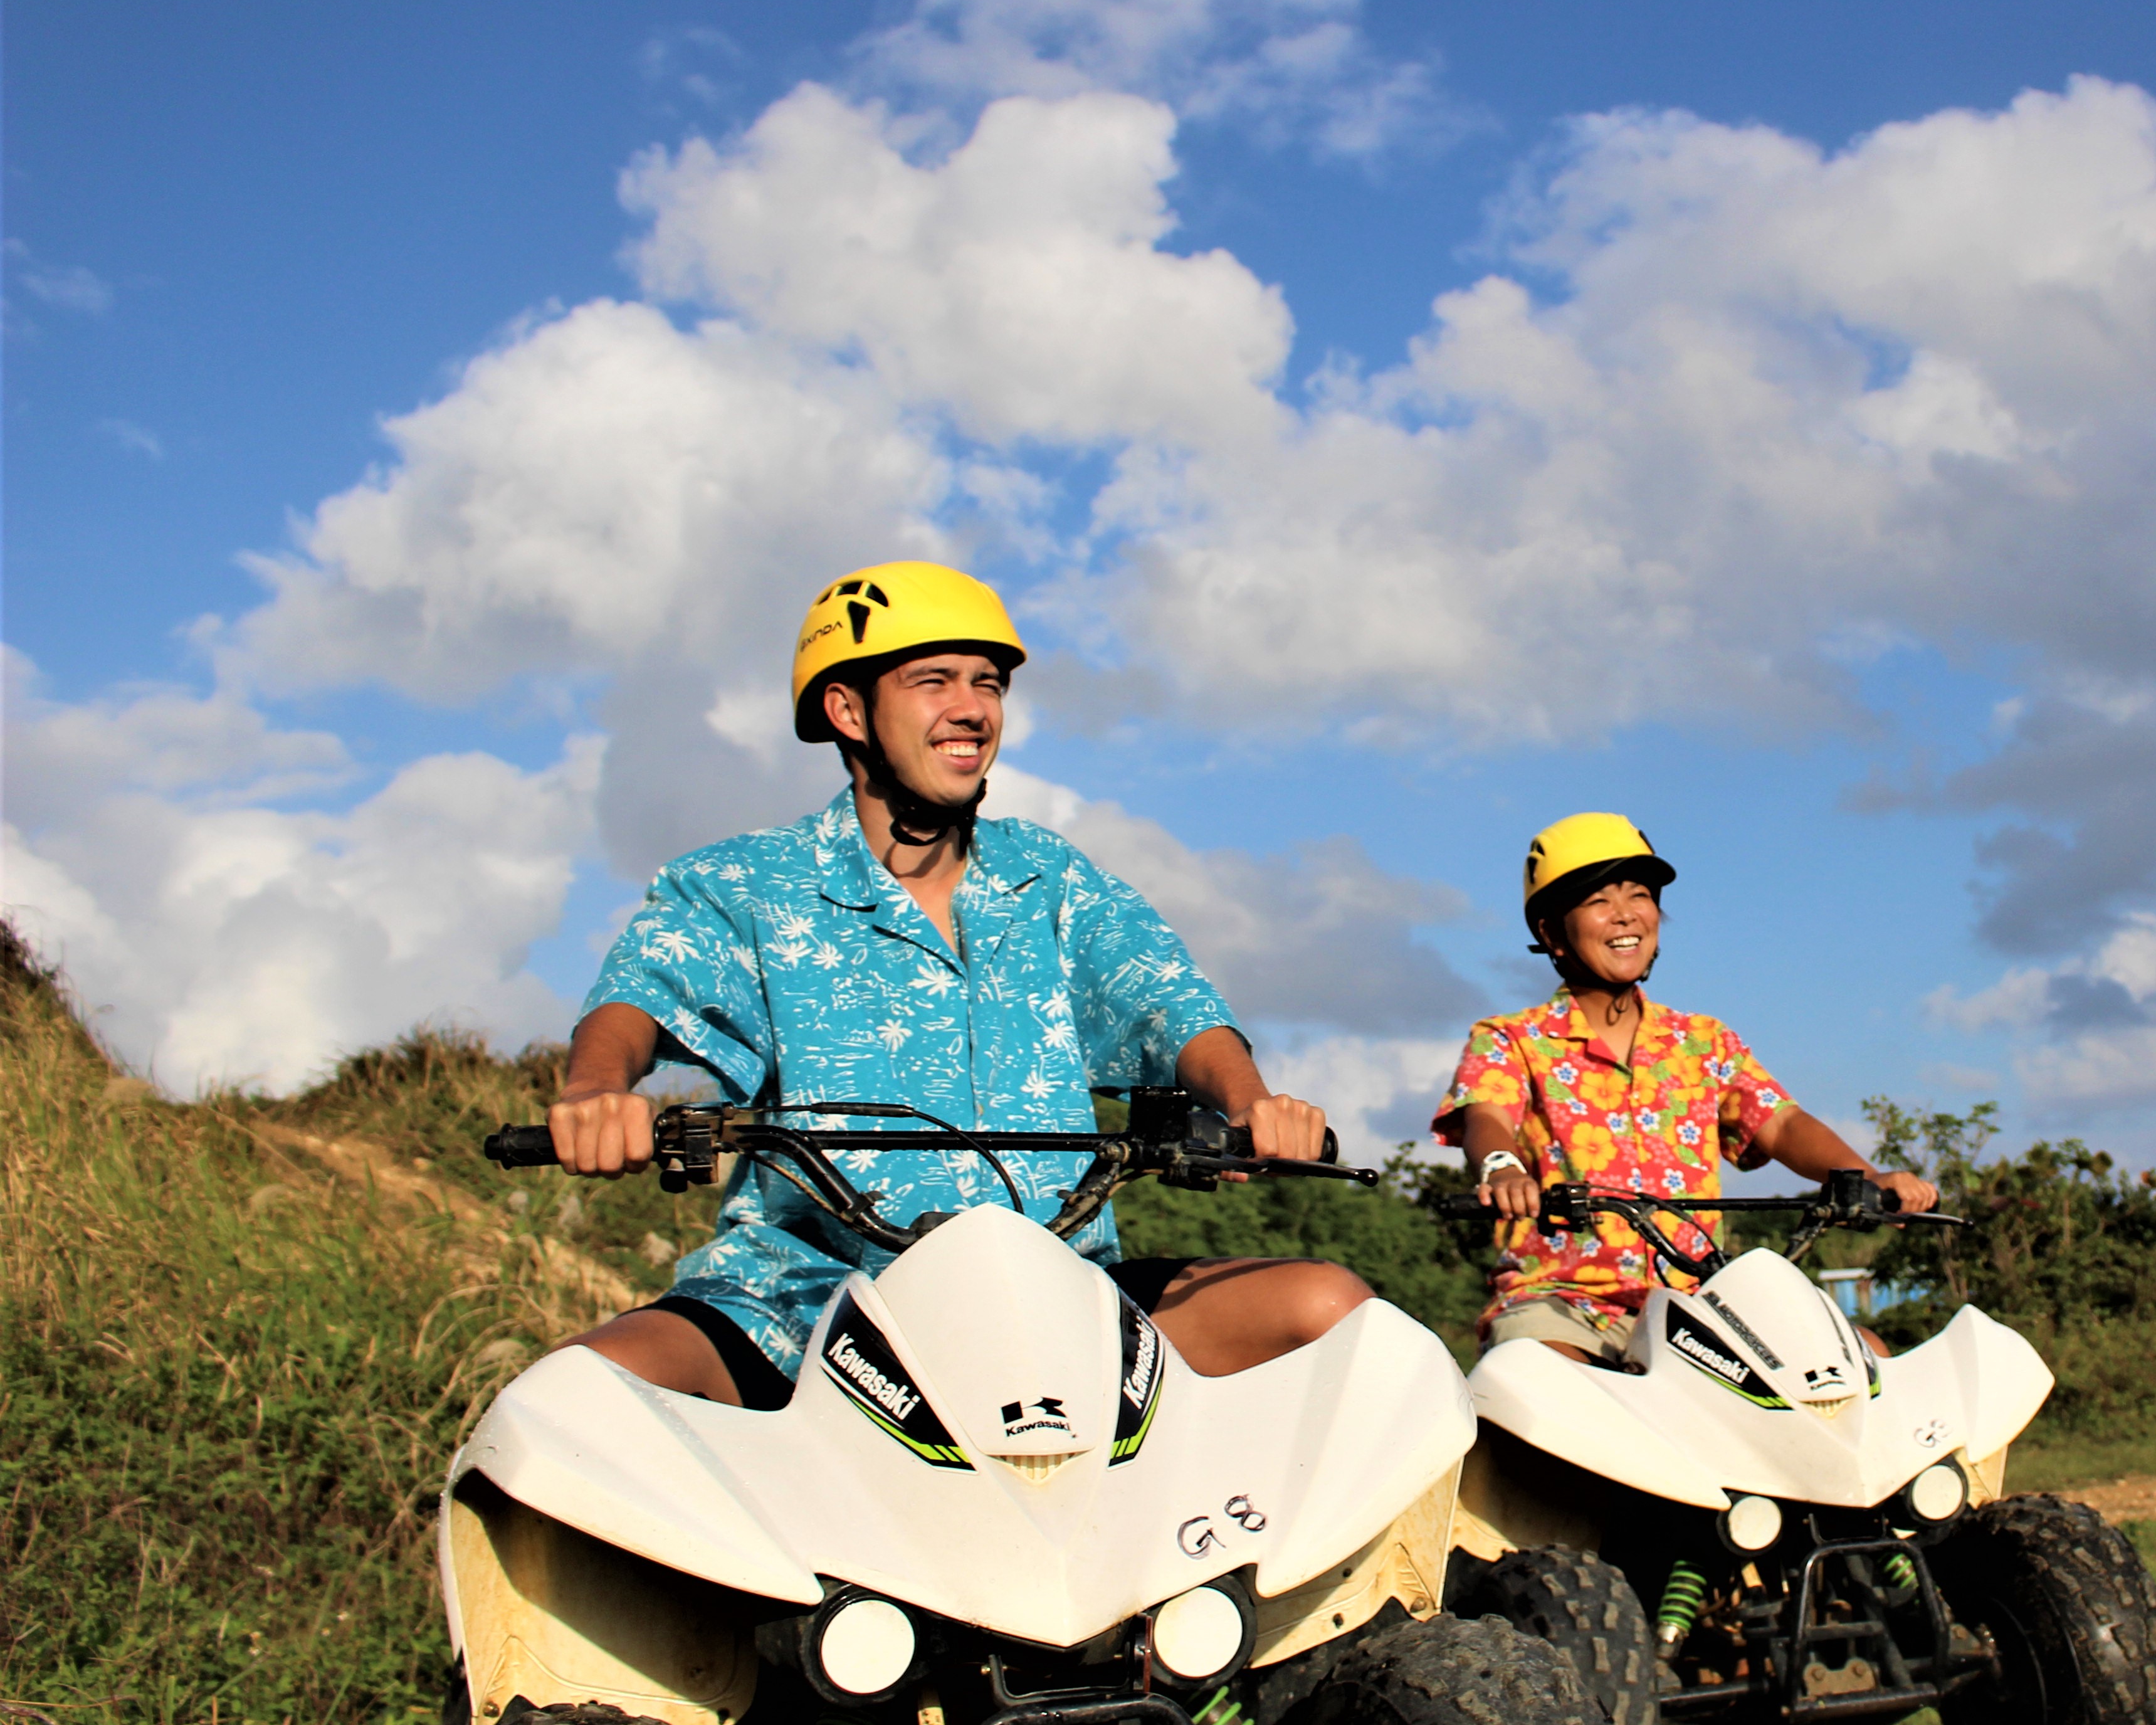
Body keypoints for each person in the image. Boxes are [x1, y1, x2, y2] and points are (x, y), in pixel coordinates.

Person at [544, 559, 1367, 1406]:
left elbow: (1165, 997)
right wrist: (594, 1092)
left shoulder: (1048, 876)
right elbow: (638, 993)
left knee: (1332, 1312)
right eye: (933, 681)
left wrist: (1249, 1102)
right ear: (847, 710)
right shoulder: (747, 882)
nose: (973, 708)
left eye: (988, 684)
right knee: (583, 1398)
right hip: (803, 1300)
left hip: (1056, 1290)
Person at [1433, 812, 1938, 1365]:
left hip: (1696, 1304)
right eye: (1599, 900)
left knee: (1859, 1356)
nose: (1626, 914)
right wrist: (1502, 1167)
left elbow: (1782, 1123)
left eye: (1640, 895)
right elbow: (1488, 1116)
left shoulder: (1703, 1042)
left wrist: (1867, 1178)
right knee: (1544, 1380)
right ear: (1552, 931)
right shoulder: (1510, 1039)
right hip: (1562, 1302)